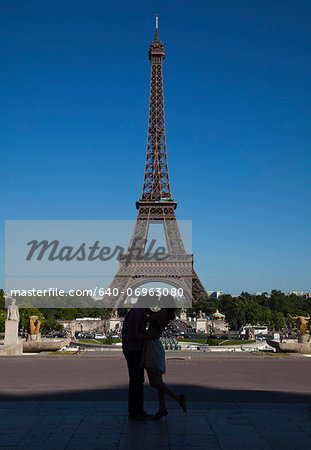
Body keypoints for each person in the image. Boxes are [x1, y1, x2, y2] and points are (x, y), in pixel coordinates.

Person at [141, 301, 187, 420]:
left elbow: (146, 318)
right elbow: (150, 314)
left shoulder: (162, 313)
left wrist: (140, 304)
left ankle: (178, 398)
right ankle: (162, 409)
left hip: (152, 346)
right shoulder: (165, 314)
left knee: (155, 382)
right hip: (155, 346)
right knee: (159, 382)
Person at [122, 306, 153, 422]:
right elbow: (132, 334)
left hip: (133, 349)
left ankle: (137, 410)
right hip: (133, 349)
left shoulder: (138, 311)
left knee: (138, 380)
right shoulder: (136, 312)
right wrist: (146, 337)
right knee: (136, 381)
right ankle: (135, 411)